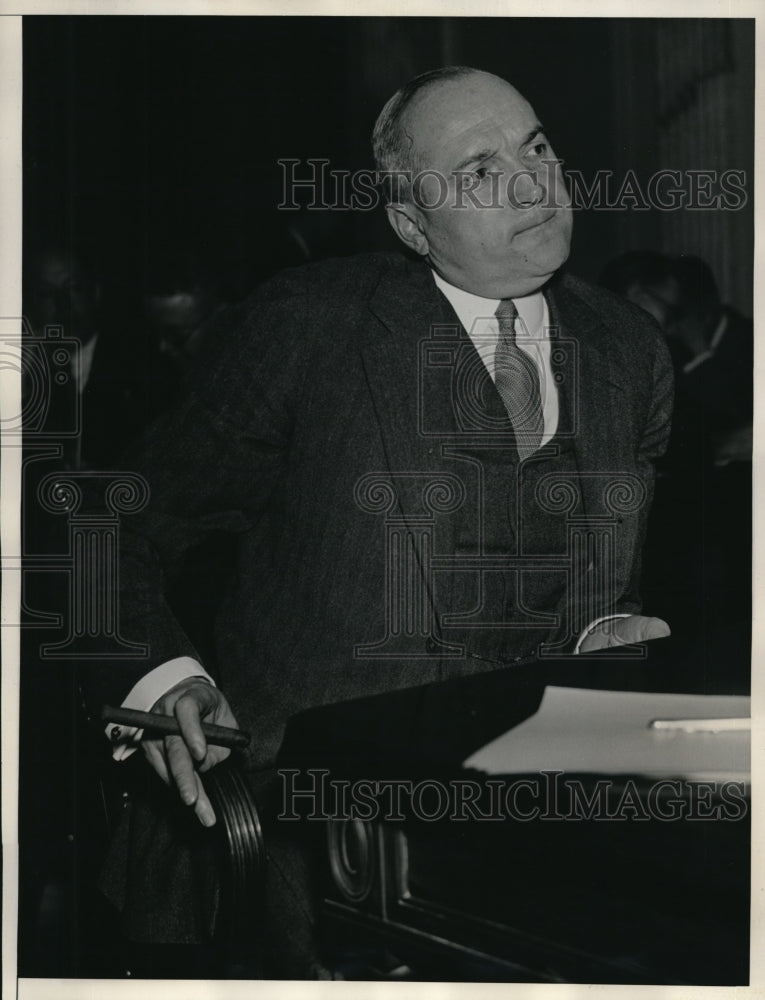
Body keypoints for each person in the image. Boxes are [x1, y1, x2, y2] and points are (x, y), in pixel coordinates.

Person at [84, 66, 673, 976]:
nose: (532, 182)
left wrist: (609, 630)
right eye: (478, 170)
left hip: (533, 844)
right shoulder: (308, 326)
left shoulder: (630, 350)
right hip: (300, 836)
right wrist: (158, 682)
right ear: (409, 224)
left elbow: (606, 582)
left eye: (538, 146)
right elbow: (105, 520)